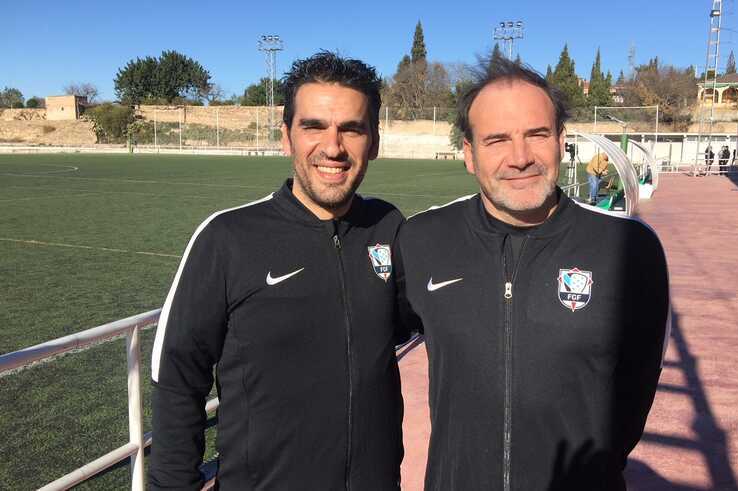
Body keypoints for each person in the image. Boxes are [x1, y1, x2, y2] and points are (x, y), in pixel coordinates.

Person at [396, 57, 670, 490]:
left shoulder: (629, 247)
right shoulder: (422, 239)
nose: (520, 158)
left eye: (537, 135)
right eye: (496, 140)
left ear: (561, 141)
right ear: (469, 153)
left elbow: (637, 388)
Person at [150, 52, 406, 490]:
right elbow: (178, 379)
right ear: (286, 137)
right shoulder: (227, 237)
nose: (333, 147)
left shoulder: (388, 226)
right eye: (314, 127)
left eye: (351, 128)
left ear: (375, 142)